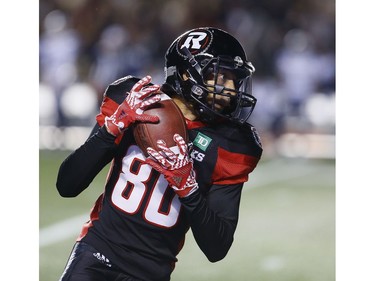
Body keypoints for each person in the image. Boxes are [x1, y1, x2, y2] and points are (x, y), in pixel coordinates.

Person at [56, 27, 263, 281]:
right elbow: (67, 184)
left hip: (152, 273)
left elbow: (217, 248)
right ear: (188, 74)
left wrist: (189, 189)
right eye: (220, 77)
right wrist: (109, 131)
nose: (230, 88)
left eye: (235, 79)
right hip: (96, 256)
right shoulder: (136, 101)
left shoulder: (232, 143)